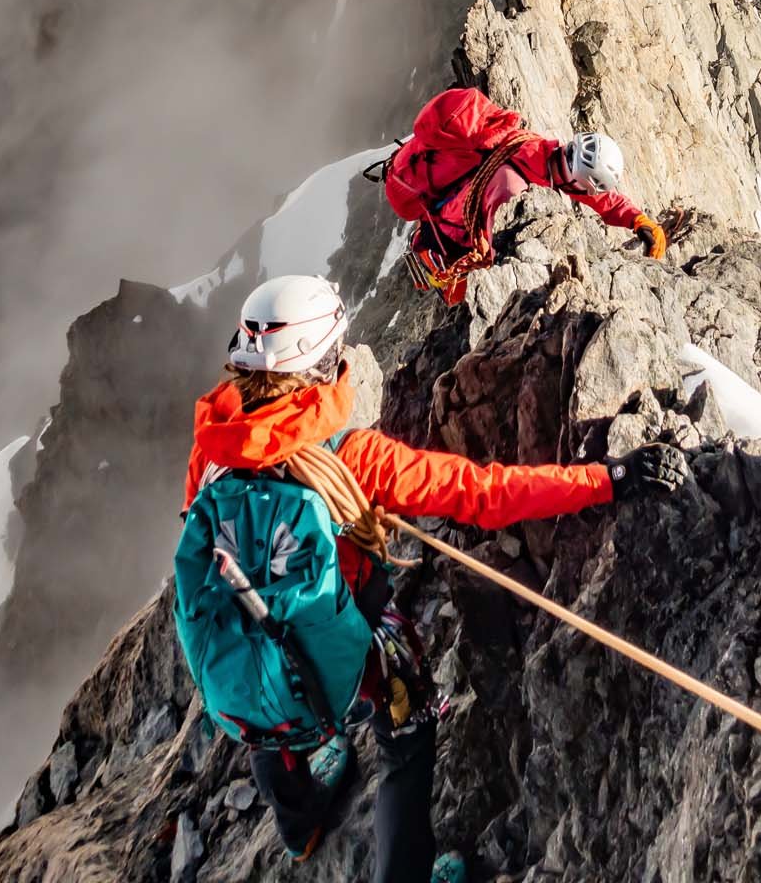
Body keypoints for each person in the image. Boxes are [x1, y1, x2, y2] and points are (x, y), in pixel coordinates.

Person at [176, 273, 688, 882]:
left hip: (245, 649)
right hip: (354, 636)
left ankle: (301, 827)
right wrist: (606, 479)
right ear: (320, 364)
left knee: (272, 718)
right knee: (407, 740)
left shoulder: (214, 446)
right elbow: (481, 493)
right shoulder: (352, 457)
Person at [375, 86, 668, 303]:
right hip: (444, 248)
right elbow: (489, 246)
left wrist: (637, 218)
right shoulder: (512, 187)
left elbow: (594, 195)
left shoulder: (539, 151)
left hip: (450, 226)